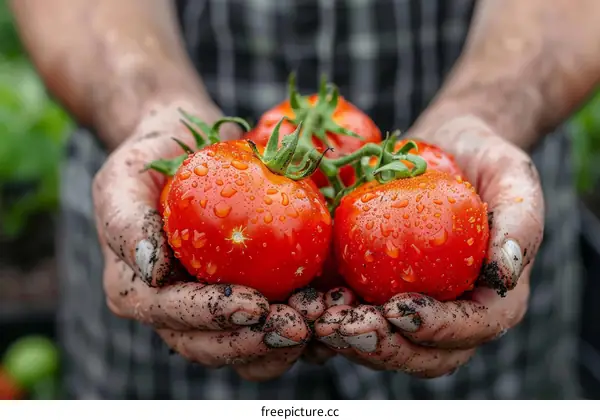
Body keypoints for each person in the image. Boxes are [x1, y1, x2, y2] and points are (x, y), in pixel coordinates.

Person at [11, 0, 596, 399]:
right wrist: (144, 106)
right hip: (154, 289)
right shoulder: (232, 181)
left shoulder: (434, 195)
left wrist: (491, 111)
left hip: (489, 196)